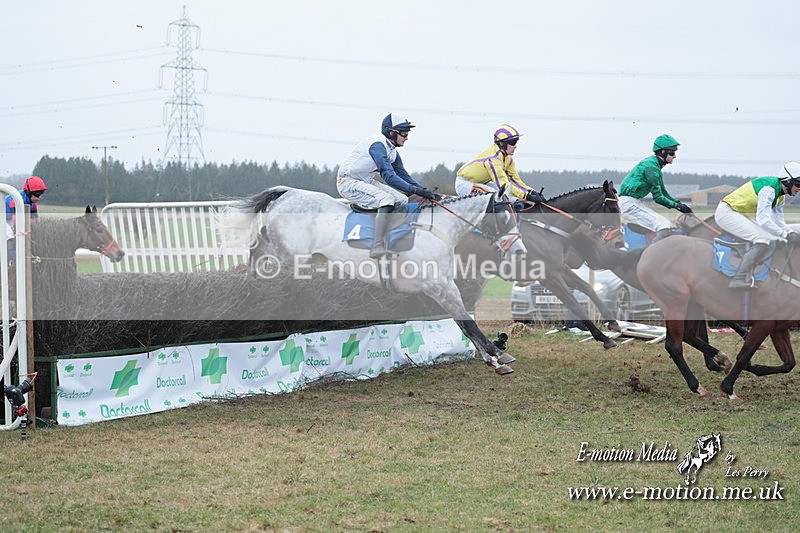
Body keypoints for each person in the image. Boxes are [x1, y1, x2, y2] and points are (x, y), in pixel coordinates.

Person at [337, 113, 439, 258]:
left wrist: (424, 191)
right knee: (387, 200)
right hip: (348, 182)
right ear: (391, 132)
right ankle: (376, 245)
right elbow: (389, 177)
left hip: (365, 181)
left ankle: (392, 236)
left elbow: (404, 176)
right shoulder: (378, 146)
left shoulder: (392, 151)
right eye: (404, 133)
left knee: (403, 199)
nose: (407, 137)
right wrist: (415, 190)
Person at [714, 162, 800, 289]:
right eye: (798, 184)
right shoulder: (769, 189)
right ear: (787, 181)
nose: (799, 188)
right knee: (763, 239)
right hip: (727, 212)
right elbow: (763, 220)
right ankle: (738, 279)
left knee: (773, 237)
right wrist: (785, 234)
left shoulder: (780, 197)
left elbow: (779, 222)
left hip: (741, 214)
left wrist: (791, 233)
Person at [618, 134, 692, 242]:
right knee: (663, 224)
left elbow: (664, 193)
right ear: (662, 152)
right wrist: (677, 206)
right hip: (628, 204)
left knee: (663, 224)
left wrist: (680, 204)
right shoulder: (651, 168)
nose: (674, 156)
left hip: (632, 202)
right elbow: (658, 198)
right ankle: (652, 255)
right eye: (672, 153)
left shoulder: (655, 165)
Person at [454, 125, 545, 204]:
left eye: (516, 142)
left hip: (479, 183)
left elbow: (516, 181)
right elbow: (504, 185)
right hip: (464, 184)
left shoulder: (508, 160)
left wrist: (531, 192)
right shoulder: (493, 159)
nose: (515, 146)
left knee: (512, 198)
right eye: (513, 143)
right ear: (502, 144)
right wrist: (526, 196)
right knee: (499, 198)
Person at [6, 175, 47, 246]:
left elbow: (36, 221)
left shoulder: (33, 203)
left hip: (10, 220)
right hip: (5, 219)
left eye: (41, 194)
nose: (39, 197)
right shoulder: (16, 199)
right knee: (10, 237)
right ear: (28, 192)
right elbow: (16, 223)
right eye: (37, 195)